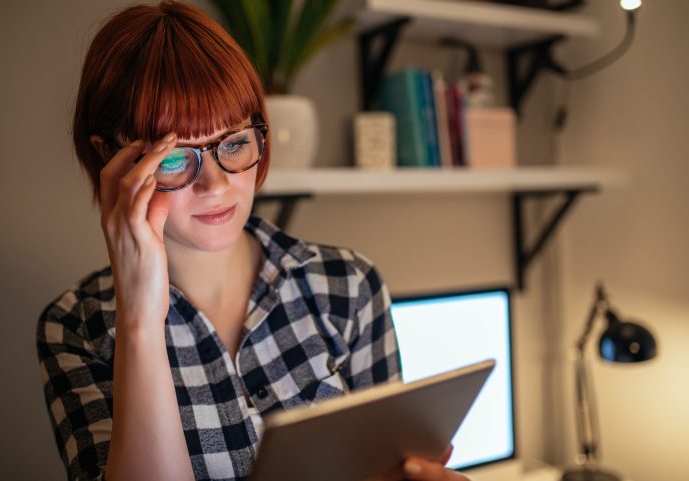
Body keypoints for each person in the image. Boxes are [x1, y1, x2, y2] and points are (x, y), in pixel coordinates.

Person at [36, 2, 468, 480]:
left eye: (235, 142)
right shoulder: (76, 329)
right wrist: (139, 319)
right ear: (109, 160)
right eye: (176, 159)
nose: (217, 185)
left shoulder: (348, 287)